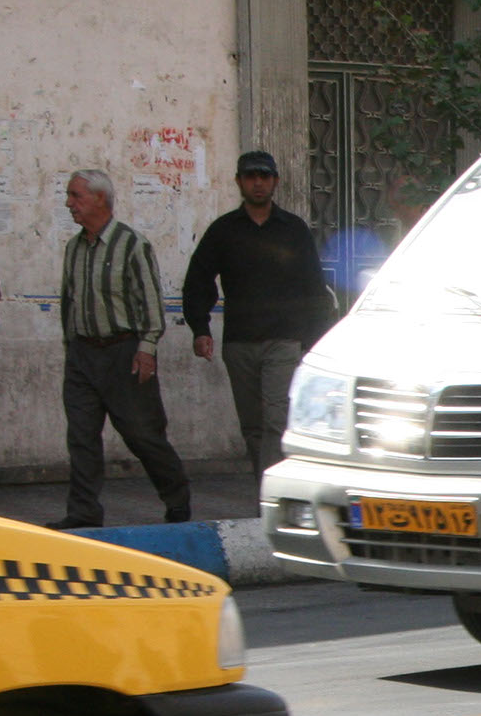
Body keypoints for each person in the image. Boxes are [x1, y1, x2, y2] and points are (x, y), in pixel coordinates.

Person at [52, 169, 190, 529]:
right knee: (81, 436)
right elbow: (69, 299)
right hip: (83, 354)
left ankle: (177, 497)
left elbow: (151, 304)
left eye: (75, 196)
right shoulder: (74, 247)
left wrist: (146, 349)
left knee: (142, 435)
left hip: (123, 352)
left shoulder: (133, 245)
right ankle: (83, 513)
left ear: (100, 199)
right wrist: (71, 346)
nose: (69, 204)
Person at [182, 151, 331, 473]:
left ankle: (272, 497)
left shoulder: (293, 229)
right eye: (251, 176)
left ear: (275, 181)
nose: (258, 183)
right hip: (240, 342)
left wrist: (313, 342)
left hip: (284, 341)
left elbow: (314, 287)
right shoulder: (224, 231)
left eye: (264, 176)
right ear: (239, 182)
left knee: (277, 419)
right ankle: (264, 484)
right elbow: (198, 279)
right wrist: (200, 328)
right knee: (252, 425)